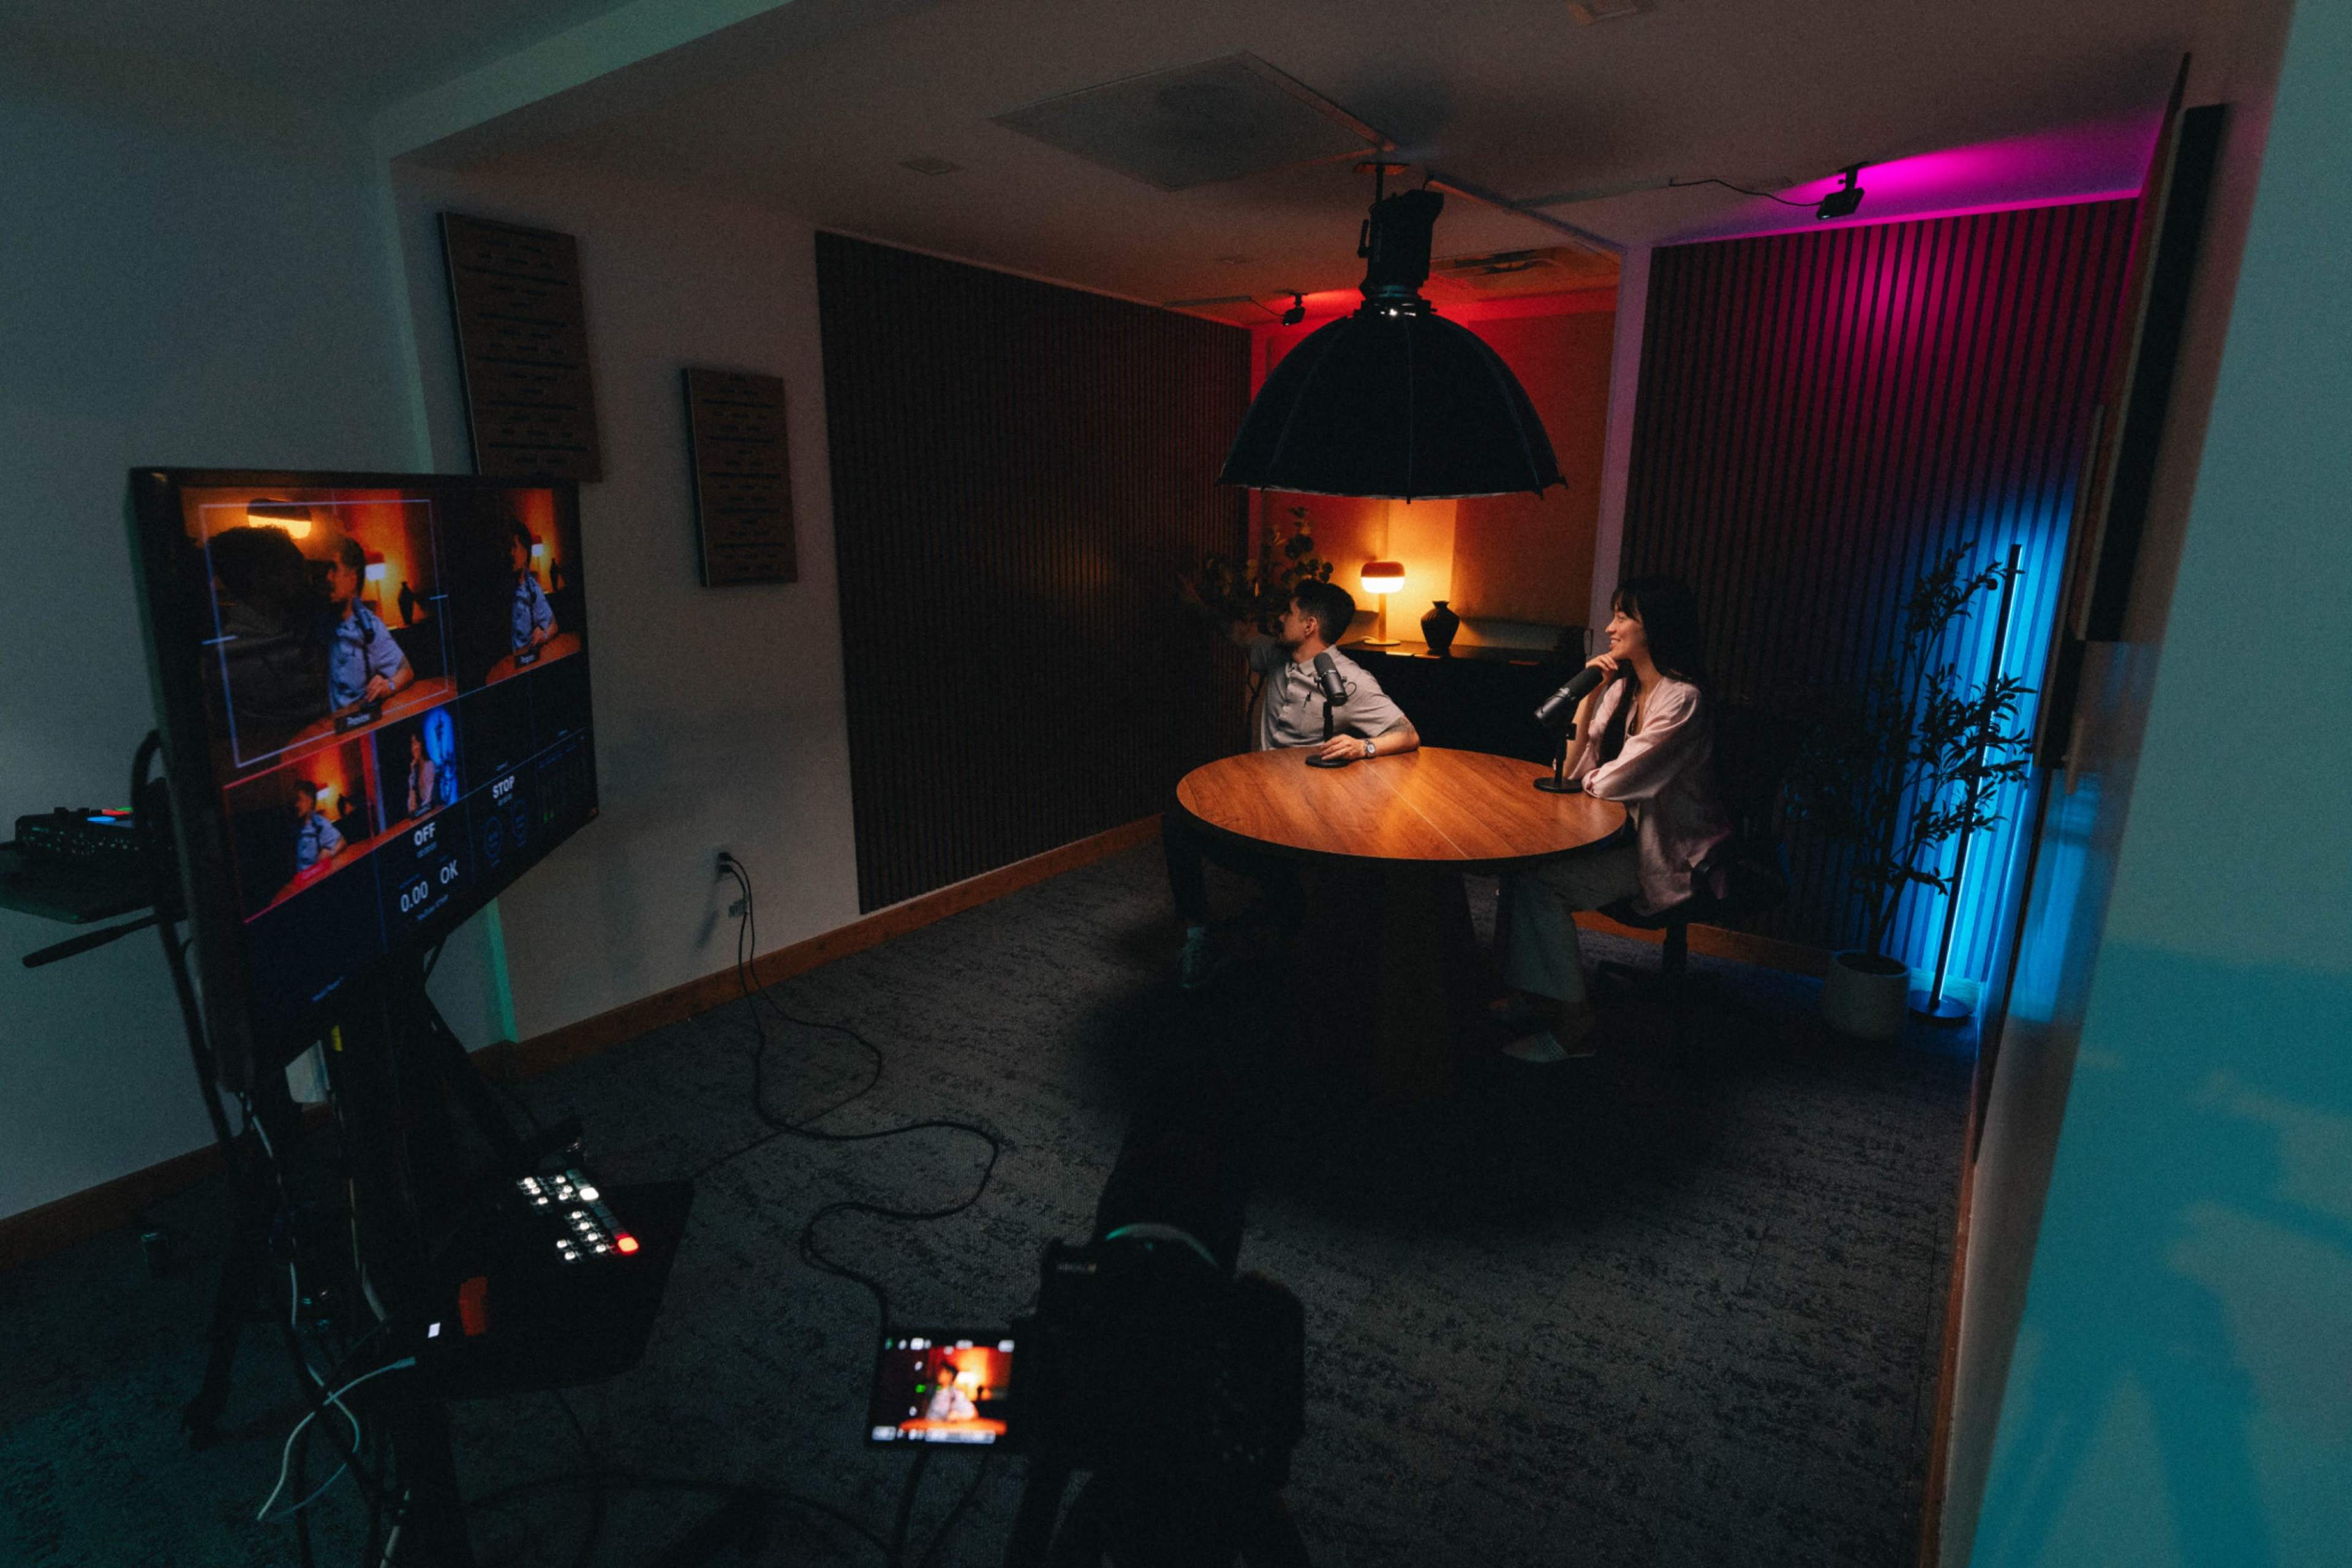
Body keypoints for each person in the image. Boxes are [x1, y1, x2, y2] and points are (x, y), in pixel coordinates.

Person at [1495, 576, 1730, 1060]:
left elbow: (1614, 781)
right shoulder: (1622, 687)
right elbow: (1576, 766)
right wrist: (1587, 694)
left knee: (1543, 884)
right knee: (1521, 871)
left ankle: (1574, 1021)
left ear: (1656, 628)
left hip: (1668, 849)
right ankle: (1541, 995)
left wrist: (1591, 778)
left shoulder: (1683, 699)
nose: (1610, 627)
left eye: (1623, 616)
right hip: (1624, 837)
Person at [1164, 578, 1419, 988]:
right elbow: (1237, 633)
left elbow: (1407, 734)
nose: (1281, 617)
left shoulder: (1350, 680)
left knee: (1294, 898)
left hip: (1299, 812)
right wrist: (1197, 606)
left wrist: (1362, 746)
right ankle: (1198, 934)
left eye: (1290, 612)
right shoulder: (1273, 654)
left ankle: (1292, 919)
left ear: (1310, 625)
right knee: (1178, 823)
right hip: (1251, 797)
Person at [321, 535, 413, 715]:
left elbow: (406, 671)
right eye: (325, 570)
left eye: (334, 570)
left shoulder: (370, 628)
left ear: (353, 579)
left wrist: (388, 686)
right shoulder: (316, 622)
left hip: (355, 728)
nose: (327, 578)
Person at [508, 521, 556, 654]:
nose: (511, 553)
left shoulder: (533, 588)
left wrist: (543, 635)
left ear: (525, 552)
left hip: (526, 662)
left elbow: (553, 626)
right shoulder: (504, 588)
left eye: (514, 547)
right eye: (509, 548)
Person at [292, 779, 344, 873]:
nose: (297, 805)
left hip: (314, 878)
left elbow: (341, 842)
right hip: (299, 880)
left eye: (300, 800)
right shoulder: (294, 825)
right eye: (296, 801)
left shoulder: (319, 823)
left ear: (310, 801)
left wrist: (330, 853)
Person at [405, 730, 439, 818]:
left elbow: (429, 801)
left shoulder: (430, 765)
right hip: (422, 818)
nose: (415, 747)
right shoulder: (412, 776)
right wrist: (414, 774)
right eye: (413, 744)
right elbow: (411, 809)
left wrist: (418, 813)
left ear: (422, 744)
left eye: (417, 743)